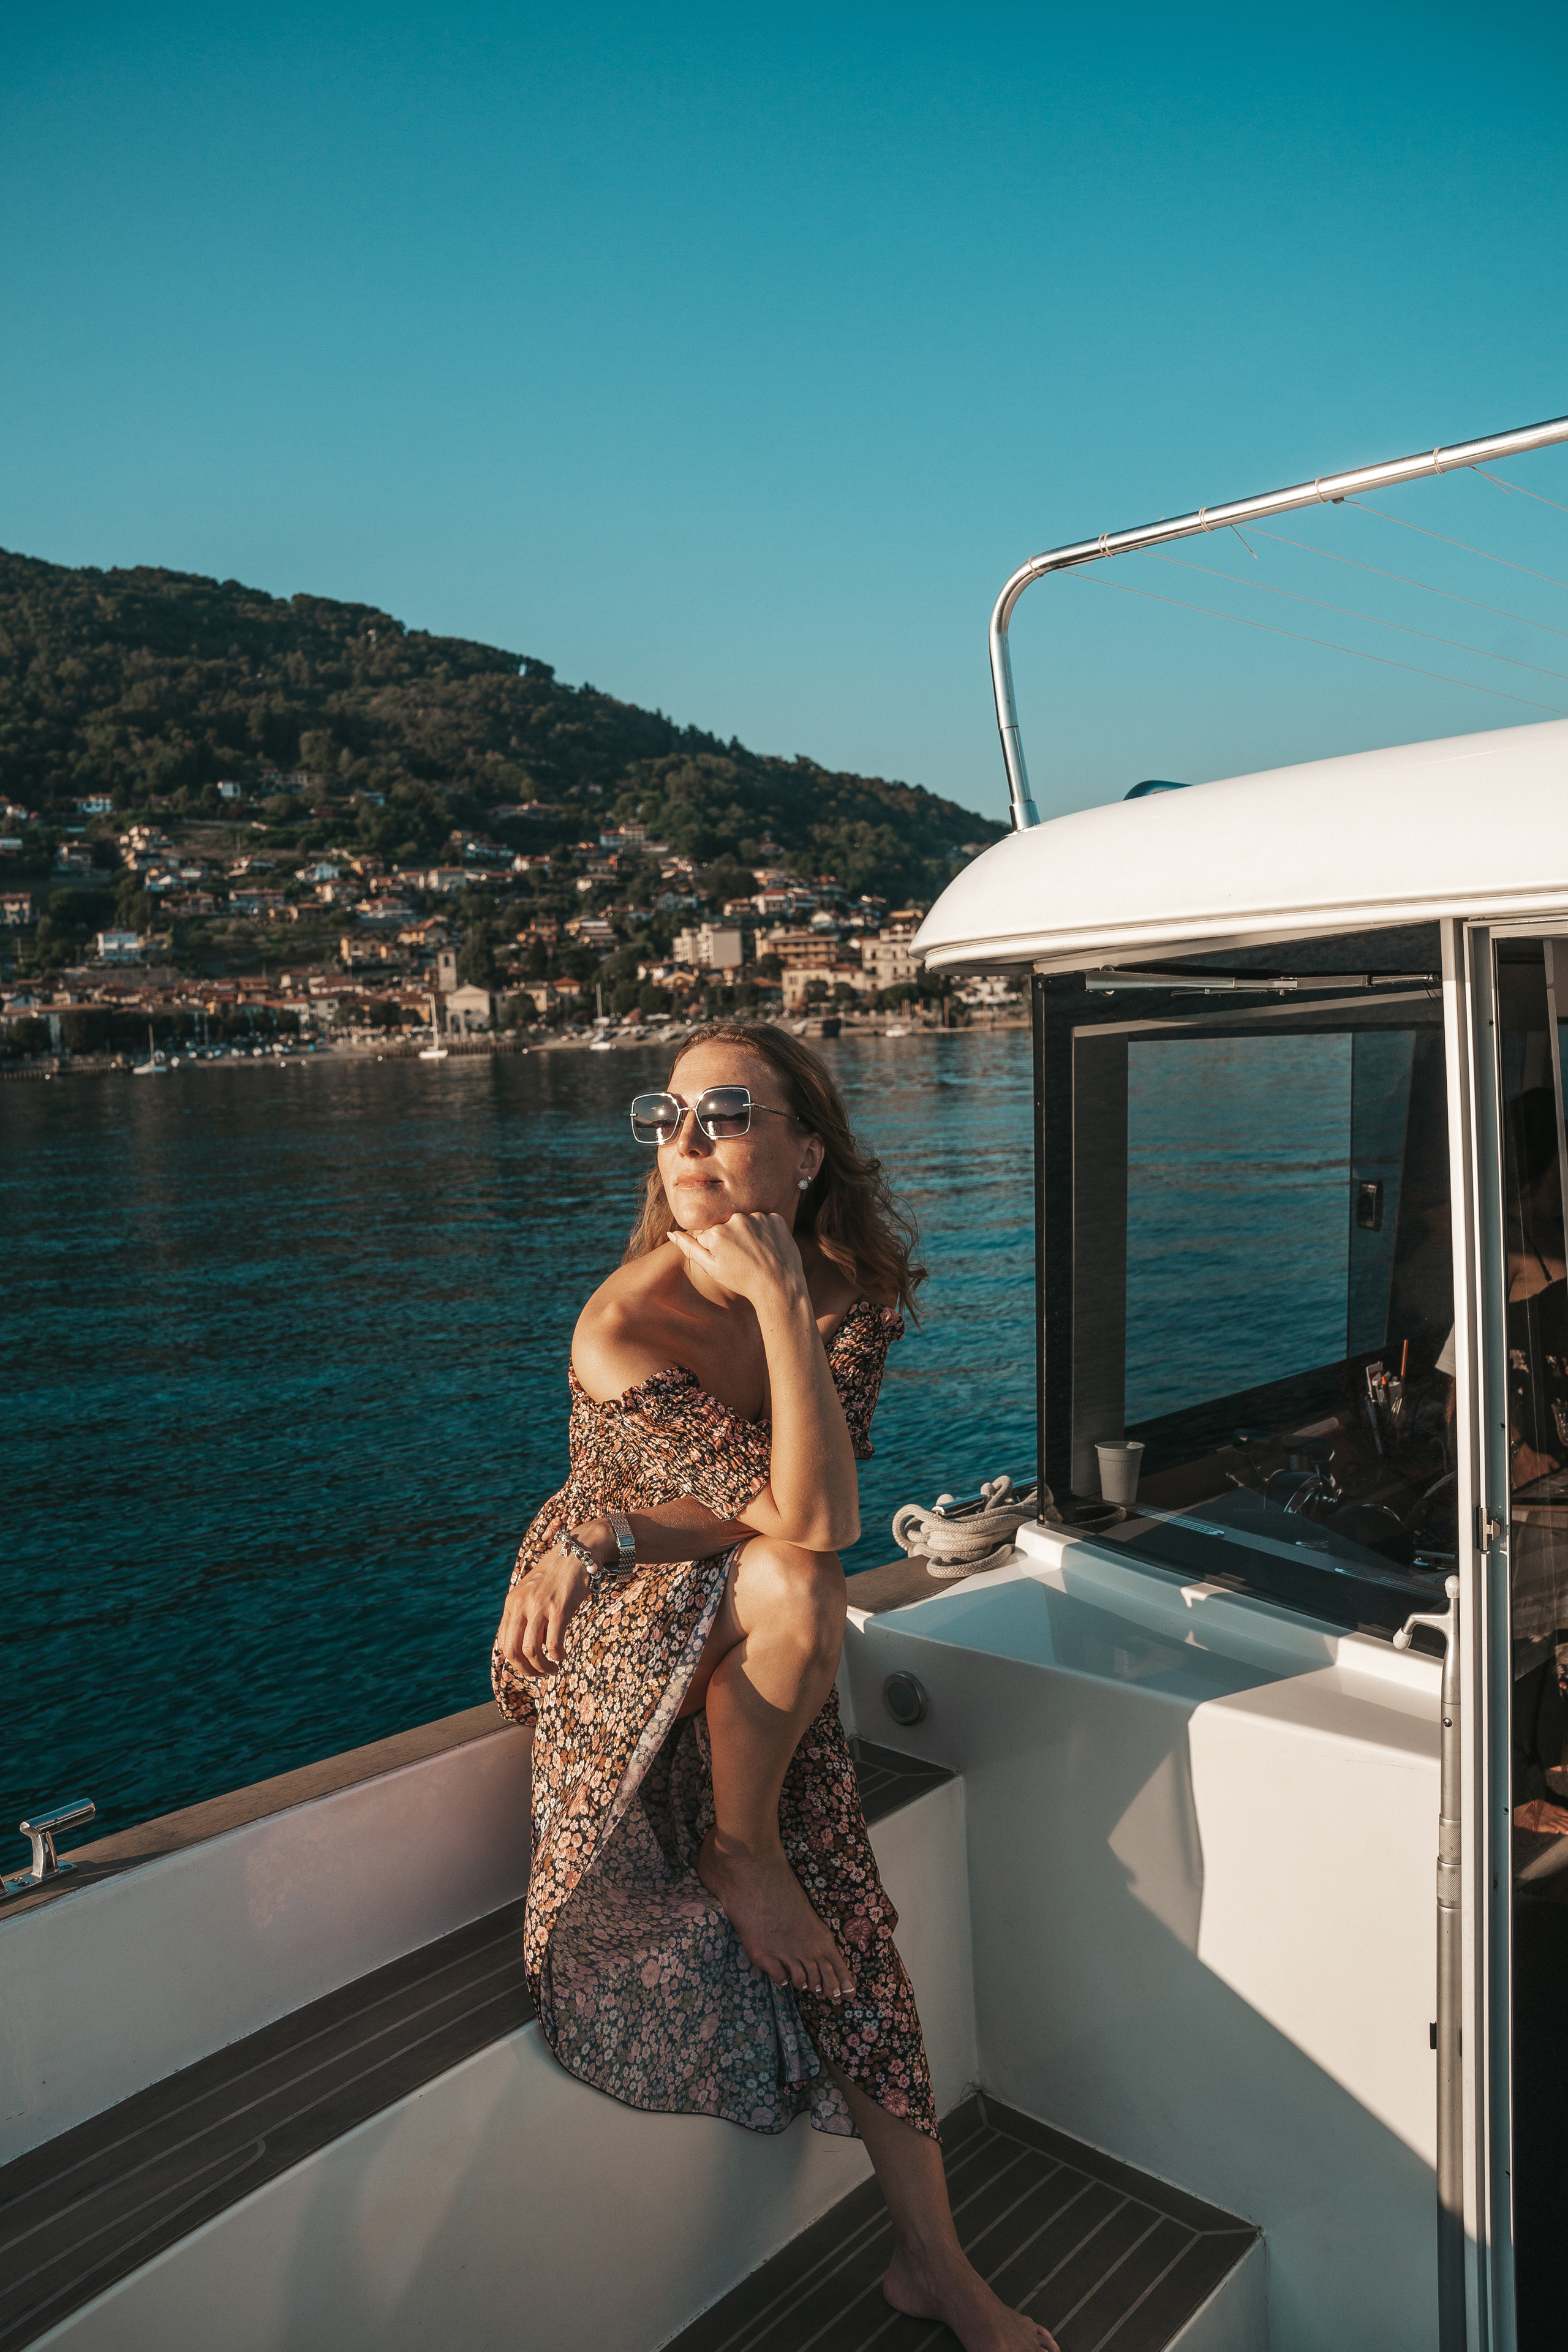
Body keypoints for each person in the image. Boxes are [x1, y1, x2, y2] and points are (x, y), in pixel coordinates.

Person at [492, 1022, 1058, 2352]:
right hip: (616, 1614)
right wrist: (597, 1533)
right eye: (669, 1114)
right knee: (801, 1588)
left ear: (805, 1151)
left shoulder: (845, 1290)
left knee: (849, 1903)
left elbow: (800, 1506)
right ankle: (739, 1852)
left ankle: (934, 2267)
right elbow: (803, 1521)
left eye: (726, 1112)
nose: (685, 1140)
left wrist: (789, 1307)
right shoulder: (625, 1319)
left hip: (702, 1571)